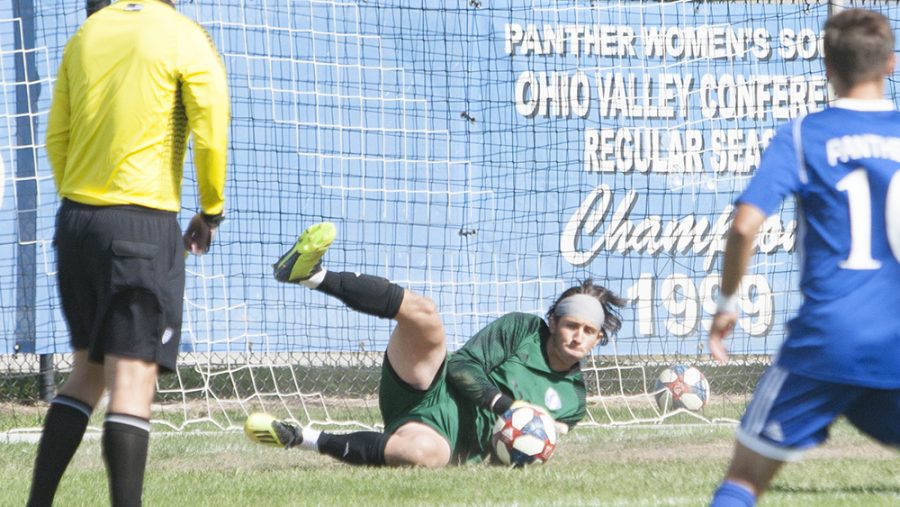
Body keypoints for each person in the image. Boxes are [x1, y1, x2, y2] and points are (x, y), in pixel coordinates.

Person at [28, 1, 229, 505]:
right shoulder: (185, 35)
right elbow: (210, 127)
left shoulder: (87, 33)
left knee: (88, 373)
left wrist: (83, 198)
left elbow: (57, 137)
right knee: (133, 383)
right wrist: (211, 209)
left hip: (76, 223)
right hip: (141, 224)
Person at [708, 8, 900, 507]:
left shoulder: (802, 134)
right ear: (891, 64)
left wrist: (728, 301)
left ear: (827, 67)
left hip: (827, 340)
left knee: (745, 478)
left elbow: (745, 225)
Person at [245, 221, 624, 467]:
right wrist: (509, 408)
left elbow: (532, 449)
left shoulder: (574, 402)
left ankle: (301, 437)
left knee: (421, 456)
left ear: (599, 338)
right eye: (571, 324)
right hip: (432, 384)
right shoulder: (523, 330)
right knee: (424, 313)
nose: (578, 336)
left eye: (588, 331)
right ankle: (311, 274)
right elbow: (461, 367)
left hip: (444, 434)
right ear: (554, 321)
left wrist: (513, 443)